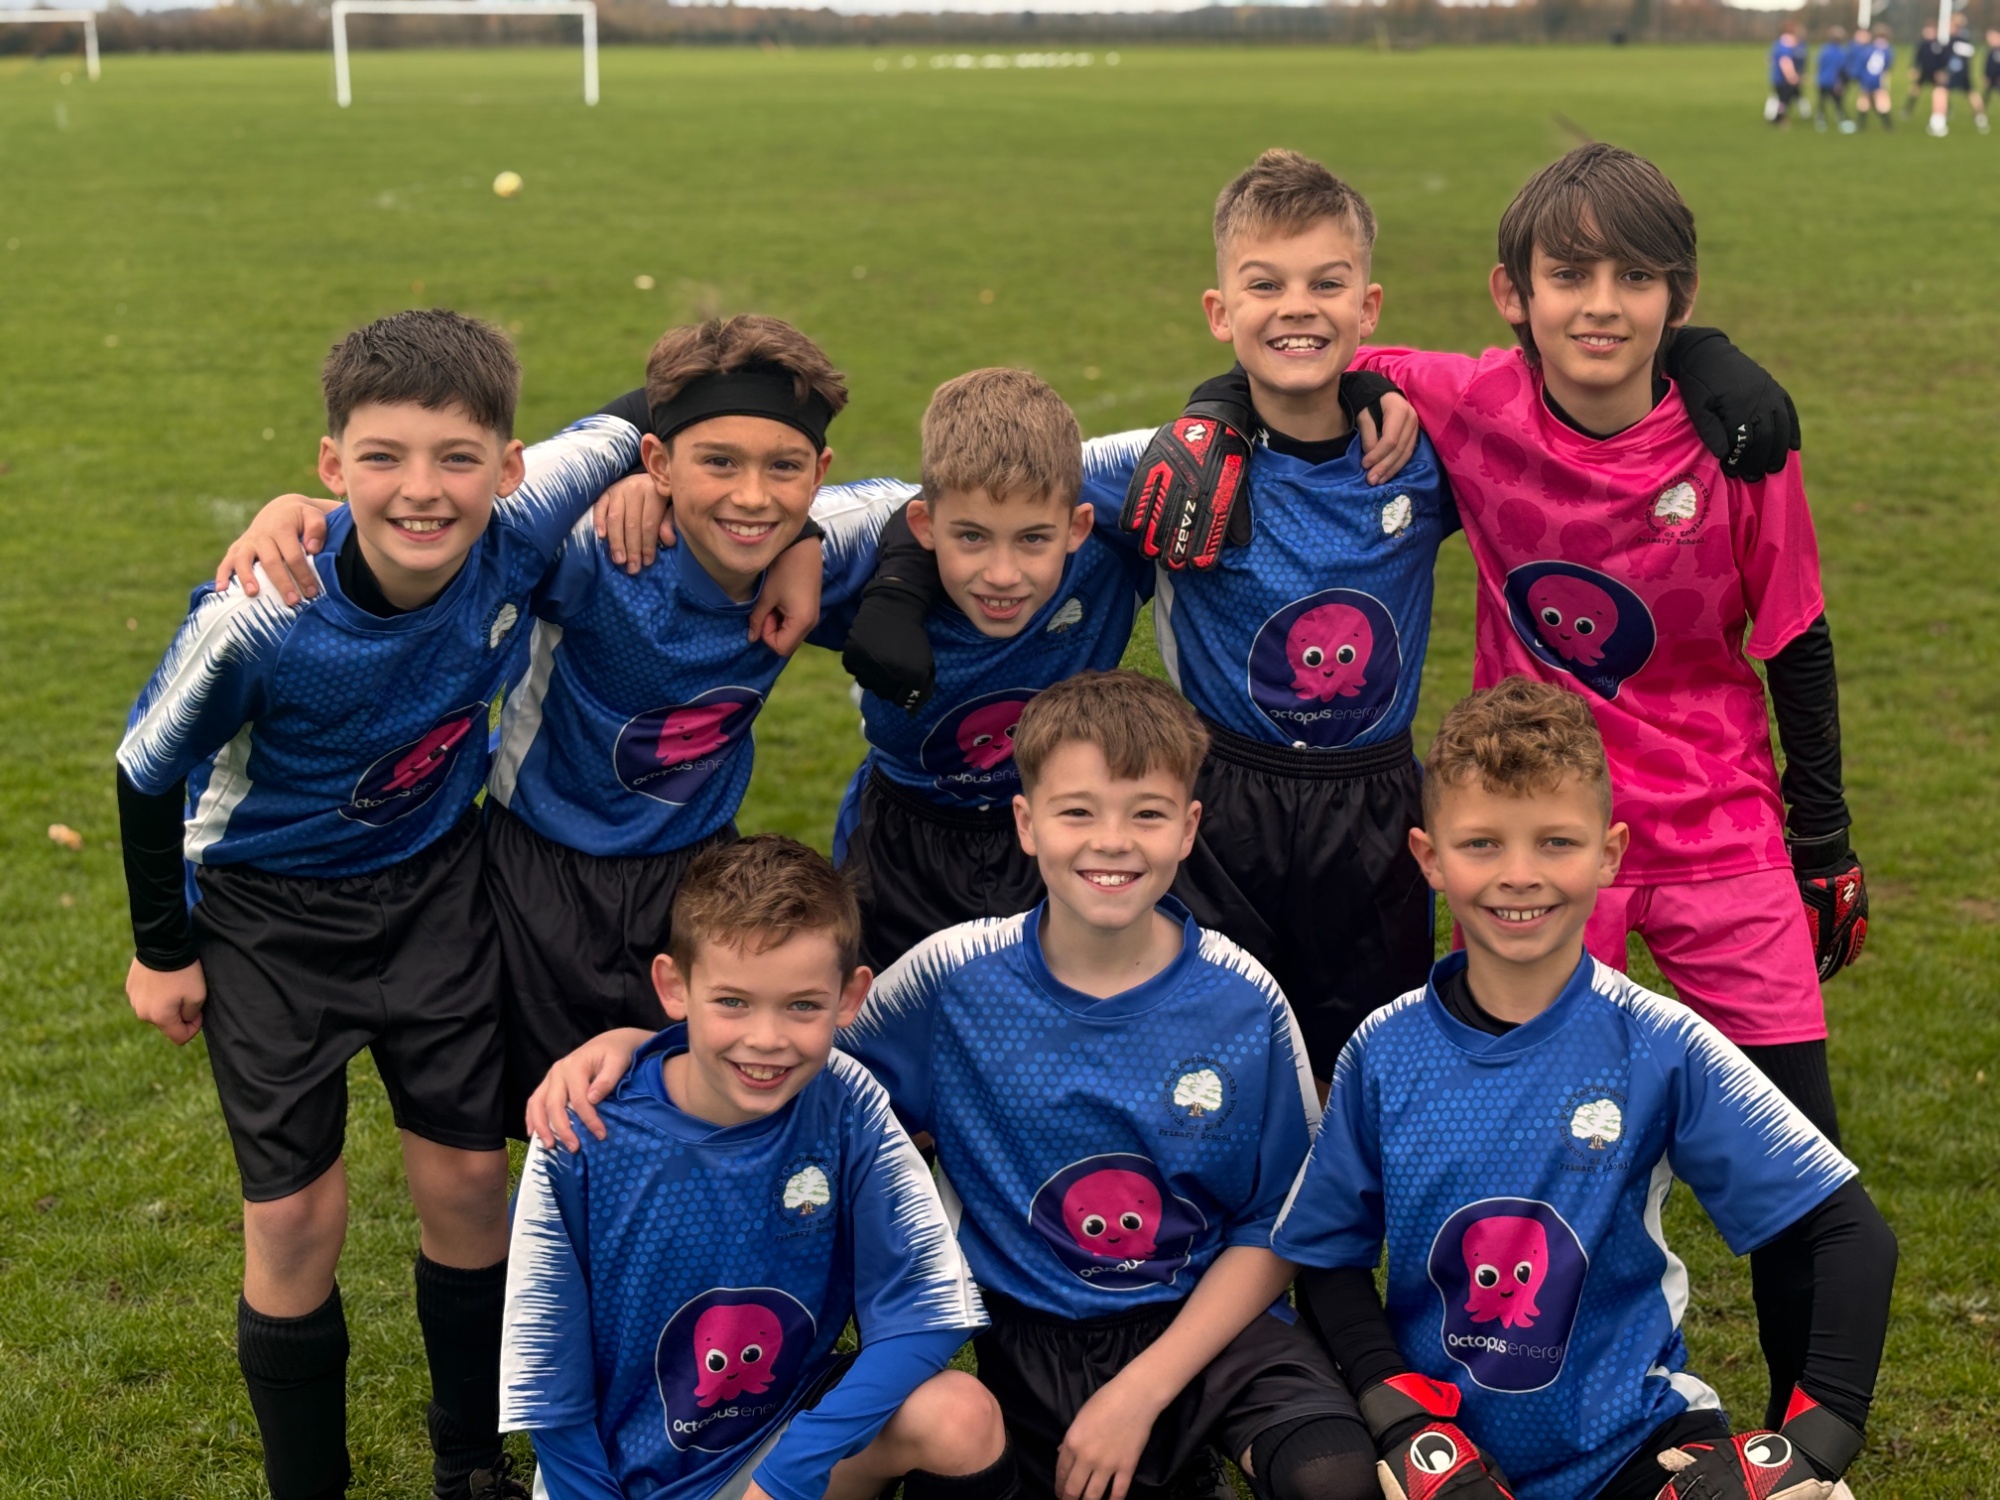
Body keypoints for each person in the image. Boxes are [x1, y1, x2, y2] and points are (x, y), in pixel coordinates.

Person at [840, 149, 1800, 1086]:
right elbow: (984, 491)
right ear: (1221, 311)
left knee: (1362, 1074)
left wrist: (1701, 355)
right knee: (1209, 1069)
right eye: (1265, 284)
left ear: (1366, 307)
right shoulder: (1177, 464)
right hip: (1223, 808)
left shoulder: (1419, 455)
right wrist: (897, 583)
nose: (1297, 306)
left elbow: (1565, 421)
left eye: (1325, 284)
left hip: (1374, 811)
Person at [531, 671, 1380, 1500]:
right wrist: (637, 1044)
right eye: (1078, 811)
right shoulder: (950, 980)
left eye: (1146, 814)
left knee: (1332, 1475)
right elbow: (785, 1046)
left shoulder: (1244, 997)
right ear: (1026, 823)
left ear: (1189, 828)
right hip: (1036, 1344)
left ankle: (1187, 1444)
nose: (1112, 841)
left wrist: (1144, 1391)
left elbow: (1277, 1221)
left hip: (1211, 1330)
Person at [115, 309, 645, 1500]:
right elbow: (145, 772)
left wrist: (656, 481)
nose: (421, 488)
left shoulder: (521, 522)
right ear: (331, 465)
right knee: (296, 1219)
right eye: (382, 457)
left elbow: (661, 398)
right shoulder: (262, 613)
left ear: (508, 466)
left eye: (457, 457)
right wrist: (161, 951)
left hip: (433, 891)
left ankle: (470, 1460)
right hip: (268, 920)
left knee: (467, 1184)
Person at [219, 315, 907, 1133]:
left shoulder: (822, 536)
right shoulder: (596, 545)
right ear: (660, 462)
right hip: (535, 869)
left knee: (698, 1105)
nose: (752, 496)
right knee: (550, 1117)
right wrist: (302, 512)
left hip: (696, 868)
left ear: (818, 471)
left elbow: (950, 508)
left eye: (783, 469)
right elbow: (444, 515)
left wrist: (816, 540)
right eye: (718, 463)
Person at [1269, 678, 1896, 1500]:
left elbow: (1848, 1233)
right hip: (1448, 1452)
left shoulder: (1662, 1045)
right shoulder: (1382, 1052)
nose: (1519, 875)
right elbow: (1327, 1260)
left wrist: (1813, 1442)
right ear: (1429, 858)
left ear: (1610, 853)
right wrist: (1403, 1422)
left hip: (1635, 1448)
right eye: (1482, 844)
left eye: (1556, 843)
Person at [499, 835, 1010, 1500]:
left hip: (777, 1454)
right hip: (622, 1480)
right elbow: (549, 1380)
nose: (766, 1039)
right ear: (674, 987)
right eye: (733, 1002)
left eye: (802, 1005)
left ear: (850, 996)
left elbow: (926, 1313)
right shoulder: (582, 1133)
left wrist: (789, 1473)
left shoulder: (846, 1104)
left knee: (959, 1415)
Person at [827, 368, 1160, 971]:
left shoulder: (1111, 542)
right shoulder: (853, 555)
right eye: (972, 537)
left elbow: (1238, 430)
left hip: (1057, 835)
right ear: (922, 526)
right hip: (896, 845)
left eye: (1033, 540)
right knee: (880, 1017)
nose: (1002, 575)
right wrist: (644, 487)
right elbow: (723, 511)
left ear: (1078, 527)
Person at [1933, 12, 1989, 135]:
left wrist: (1946, 72)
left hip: (1957, 73)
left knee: (1941, 92)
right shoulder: (1958, 38)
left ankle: (1939, 124)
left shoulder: (1958, 39)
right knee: (1970, 93)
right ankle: (1981, 118)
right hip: (1962, 72)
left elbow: (1958, 59)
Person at [1852, 26, 1894, 128]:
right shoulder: (1887, 50)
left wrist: (1857, 76)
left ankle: (1861, 124)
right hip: (1878, 79)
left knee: (1864, 99)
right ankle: (1888, 125)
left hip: (1866, 78)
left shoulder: (1868, 49)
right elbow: (1887, 66)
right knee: (1882, 100)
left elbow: (1860, 64)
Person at [1906, 22, 1947, 122]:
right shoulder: (1922, 44)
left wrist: (1941, 71)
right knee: (1915, 90)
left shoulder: (1938, 44)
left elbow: (1943, 59)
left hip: (1935, 73)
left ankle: (1945, 110)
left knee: (1940, 92)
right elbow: (1917, 57)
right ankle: (1908, 109)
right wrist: (1914, 68)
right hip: (1924, 72)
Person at [1814, 25, 1851, 132]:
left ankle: (1820, 122)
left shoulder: (1823, 50)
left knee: (1822, 102)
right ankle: (1842, 122)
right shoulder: (1841, 53)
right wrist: (1841, 83)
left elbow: (1819, 65)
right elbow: (1842, 70)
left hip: (1822, 81)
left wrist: (1818, 79)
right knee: (1838, 103)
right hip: (1835, 82)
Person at [1768, 24, 1806, 126]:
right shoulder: (1786, 48)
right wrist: (1792, 77)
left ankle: (1778, 118)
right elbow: (1785, 62)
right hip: (1783, 80)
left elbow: (1770, 60)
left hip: (1777, 78)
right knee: (1784, 100)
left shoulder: (1778, 45)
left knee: (1783, 100)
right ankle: (1780, 119)